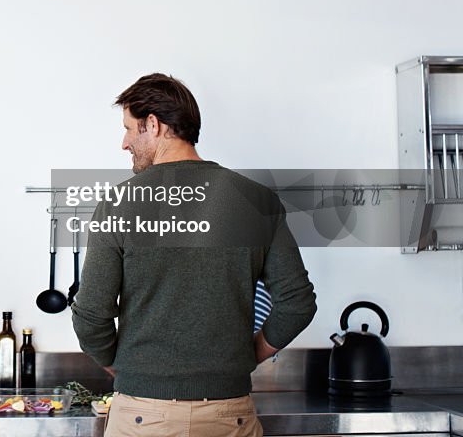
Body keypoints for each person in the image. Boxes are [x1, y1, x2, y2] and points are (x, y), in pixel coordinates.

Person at [72, 74, 316, 437]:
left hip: (143, 415)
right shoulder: (256, 201)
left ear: (152, 124)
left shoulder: (120, 204)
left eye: (128, 129)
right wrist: (248, 357)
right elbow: (297, 304)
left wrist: (124, 367)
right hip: (229, 413)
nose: (124, 143)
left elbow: (91, 315)